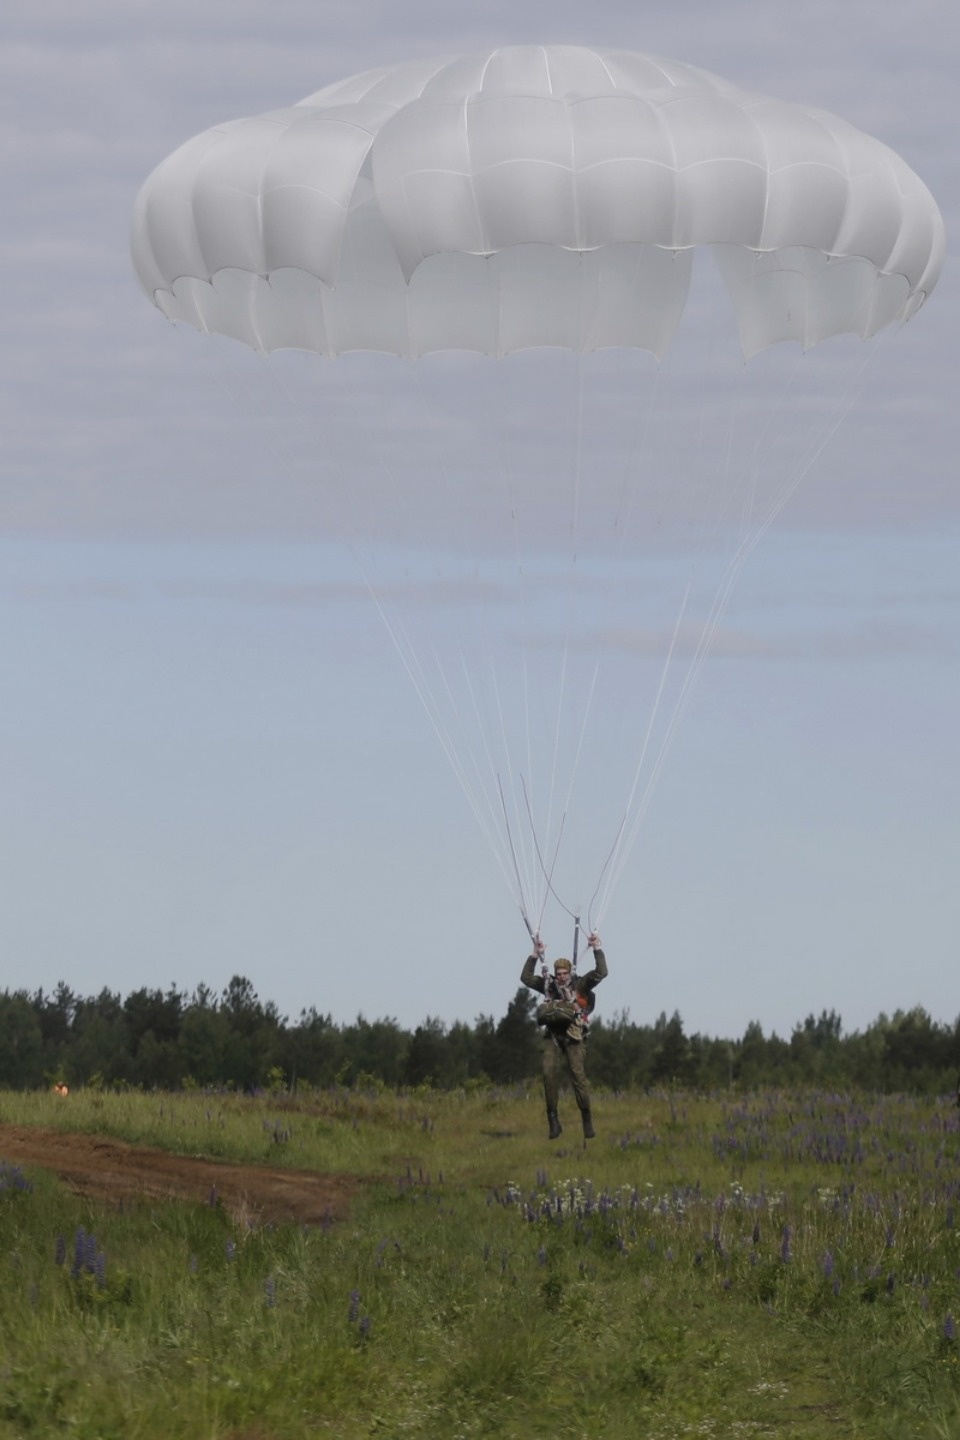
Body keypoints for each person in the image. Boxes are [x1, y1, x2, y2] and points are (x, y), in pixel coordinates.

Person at [521, 932, 607, 1140]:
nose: (561, 977)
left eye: (564, 973)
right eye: (558, 973)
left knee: (578, 1077)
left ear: (570, 973)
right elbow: (526, 978)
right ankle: (553, 1121)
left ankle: (586, 1118)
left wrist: (597, 948)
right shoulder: (548, 985)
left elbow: (602, 972)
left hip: (574, 1037)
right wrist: (534, 955)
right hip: (552, 1037)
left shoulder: (581, 985)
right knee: (548, 1073)